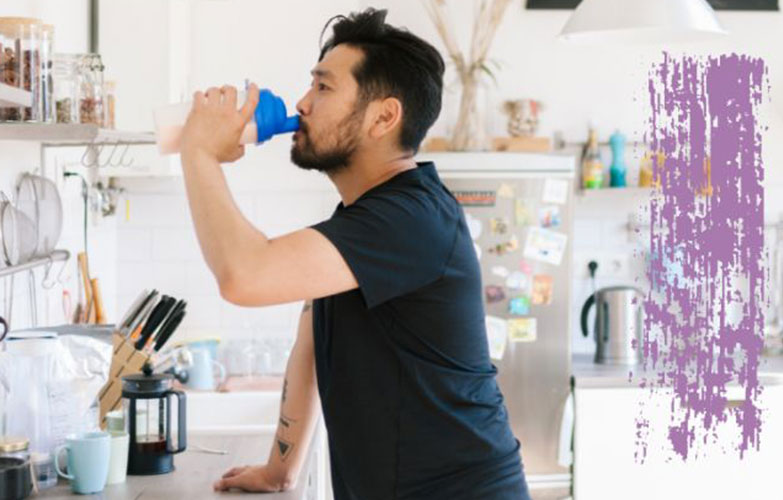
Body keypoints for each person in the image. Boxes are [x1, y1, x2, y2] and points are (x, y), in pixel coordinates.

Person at [178, 8, 530, 500]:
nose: (302, 102)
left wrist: (198, 153)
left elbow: (243, 275)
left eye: (323, 88)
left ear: (384, 116)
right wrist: (280, 468)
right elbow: (312, 337)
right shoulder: (365, 217)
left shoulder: (412, 219)